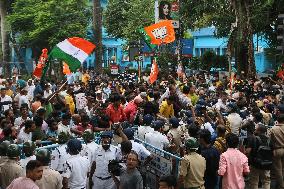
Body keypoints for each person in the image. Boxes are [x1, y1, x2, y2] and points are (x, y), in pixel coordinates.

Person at [246, 125, 270, 189]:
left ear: (259, 131)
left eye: (256, 129)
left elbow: (248, 151)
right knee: (266, 181)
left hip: (255, 163)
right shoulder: (269, 139)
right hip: (266, 163)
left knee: (254, 181)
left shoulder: (253, 138)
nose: (255, 130)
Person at [270, 105, 284, 189]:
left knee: (278, 169)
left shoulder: (274, 129)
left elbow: (269, 140)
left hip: (277, 150)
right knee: (283, 169)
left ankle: (281, 186)